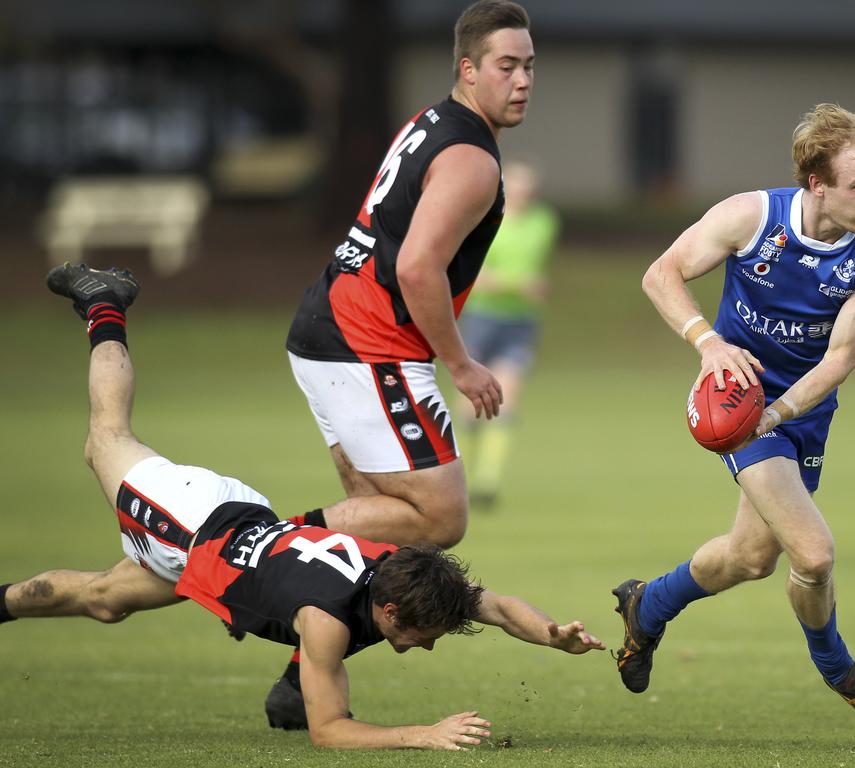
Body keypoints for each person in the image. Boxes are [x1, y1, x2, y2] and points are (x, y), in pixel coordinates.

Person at [0, 263, 605, 751]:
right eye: (424, 636)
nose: (428, 647)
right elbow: (330, 731)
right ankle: (104, 304)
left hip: (237, 524)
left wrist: (552, 636)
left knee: (105, 603)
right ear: (389, 613)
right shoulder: (326, 621)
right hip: (189, 525)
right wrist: (424, 734)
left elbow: (494, 606)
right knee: (106, 438)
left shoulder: (402, 573)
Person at [611, 104, 855, 723]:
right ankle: (839, 669)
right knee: (815, 553)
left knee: (751, 557)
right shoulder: (751, 216)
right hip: (733, 400)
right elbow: (660, 274)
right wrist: (708, 343)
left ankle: (647, 605)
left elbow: (840, 359)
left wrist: (777, 415)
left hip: (797, 412)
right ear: (817, 184)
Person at [285, 0, 534, 549]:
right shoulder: (473, 159)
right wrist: (463, 365)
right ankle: (262, 544)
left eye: (529, 66)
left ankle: (310, 613)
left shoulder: (433, 120)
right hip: (368, 345)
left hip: (327, 328)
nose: (522, 81)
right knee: (441, 518)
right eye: (506, 66)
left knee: (376, 539)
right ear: (468, 69)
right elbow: (418, 267)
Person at [457, 160, 560, 510]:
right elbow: (477, 277)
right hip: (483, 317)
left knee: (507, 397)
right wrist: (520, 285)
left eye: (528, 188)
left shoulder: (544, 222)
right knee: (470, 403)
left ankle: (487, 483)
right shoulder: (484, 221)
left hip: (521, 322)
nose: (522, 194)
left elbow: (534, 271)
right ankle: (461, 478)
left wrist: (532, 287)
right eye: (516, 187)